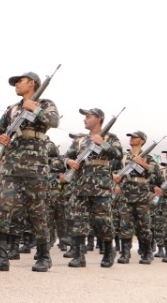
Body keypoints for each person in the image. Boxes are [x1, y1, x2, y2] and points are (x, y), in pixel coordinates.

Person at [0, 71, 59, 273]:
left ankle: (44, 256)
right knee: (3, 209)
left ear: (32, 83)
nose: (16, 84)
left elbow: (53, 121)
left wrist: (35, 109)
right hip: (10, 166)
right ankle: (2, 257)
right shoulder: (12, 109)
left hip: (36, 166)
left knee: (37, 212)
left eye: (20, 81)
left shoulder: (46, 104)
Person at [62, 108, 122, 268]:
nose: (85, 119)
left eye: (88, 117)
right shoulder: (80, 140)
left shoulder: (111, 138)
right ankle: (79, 256)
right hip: (80, 186)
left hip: (101, 186)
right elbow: (66, 156)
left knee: (102, 221)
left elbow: (118, 155)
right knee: (79, 221)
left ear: (98, 119)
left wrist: (103, 143)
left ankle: (109, 250)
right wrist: (69, 162)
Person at [113, 131, 163, 264]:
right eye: (131, 137)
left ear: (142, 141)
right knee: (125, 225)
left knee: (143, 226)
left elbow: (157, 174)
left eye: (135, 137)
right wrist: (115, 178)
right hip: (126, 194)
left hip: (142, 196)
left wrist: (142, 163)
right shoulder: (124, 157)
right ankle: (125, 254)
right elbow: (111, 170)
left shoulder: (148, 157)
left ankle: (147, 253)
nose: (131, 139)